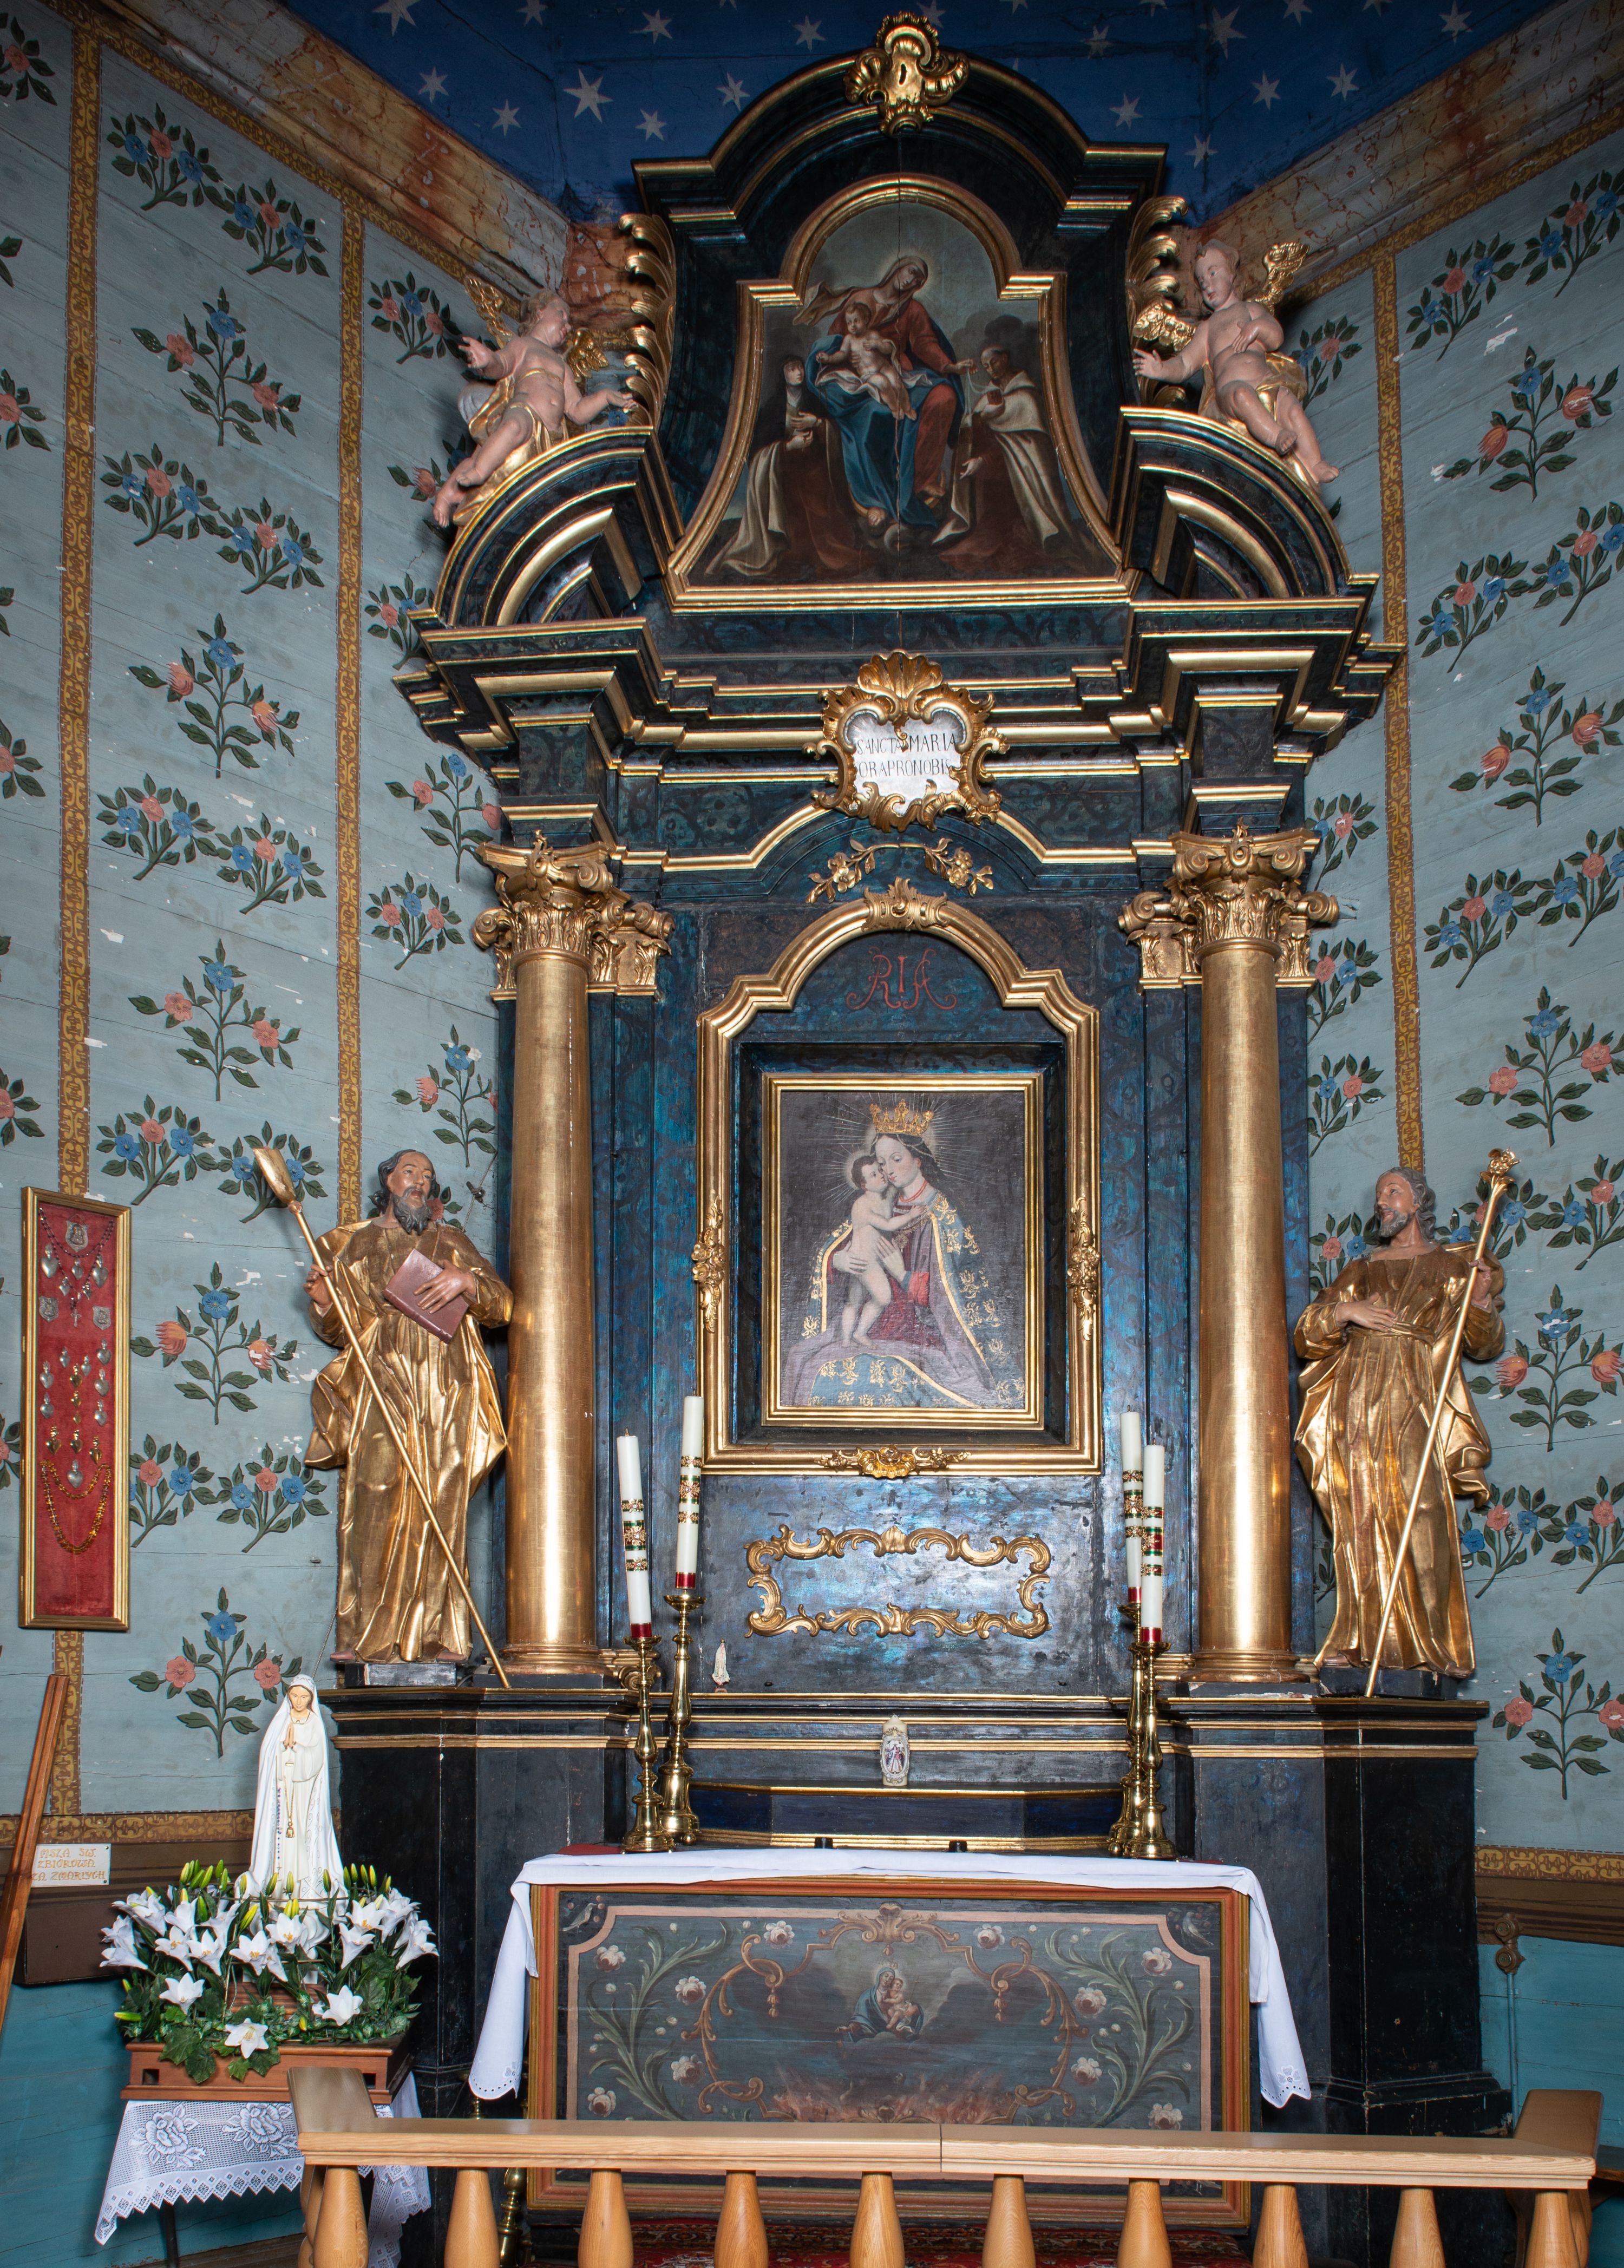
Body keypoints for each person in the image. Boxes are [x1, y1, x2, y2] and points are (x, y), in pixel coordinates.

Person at [1294, 1166, 1503, 1677]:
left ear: (1419, 1202)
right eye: (1379, 1195)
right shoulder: (1363, 1269)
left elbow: (1482, 1344)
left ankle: (1431, 1643)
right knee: (1361, 1515)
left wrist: (1478, 1299)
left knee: (1422, 1511)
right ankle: (1363, 1639)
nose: (1382, 1202)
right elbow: (1306, 1334)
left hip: (1416, 1395)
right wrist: (1347, 1313)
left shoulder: (1453, 1267)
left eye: (1393, 1192)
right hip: (1357, 1398)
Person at [304, 1150, 512, 1663]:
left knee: (441, 1502)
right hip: (382, 1379)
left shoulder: (451, 1241)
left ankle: (439, 1635)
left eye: (428, 1177)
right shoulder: (356, 1244)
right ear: (389, 1180)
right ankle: (365, 1634)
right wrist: (325, 1302)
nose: (420, 1183)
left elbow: (503, 1306)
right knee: (374, 1493)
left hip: (446, 1388)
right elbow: (343, 1327)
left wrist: (468, 1282)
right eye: (411, 1173)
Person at [782, 1115, 1025, 1411]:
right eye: (881, 1163)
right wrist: (839, 1260)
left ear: (918, 1159)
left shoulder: (942, 1216)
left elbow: (953, 1301)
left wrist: (903, 1275)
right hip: (873, 1324)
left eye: (896, 1160)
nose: (888, 1170)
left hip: (924, 1336)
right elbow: (846, 1241)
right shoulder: (882, 1203)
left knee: (864, 1378)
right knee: (804, 1361)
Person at [1132, 240, 1339, 487]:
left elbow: (1276, 337)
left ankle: (1315, 463)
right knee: (1242, 395)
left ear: (1232, 274)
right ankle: (1276, 436)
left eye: (1213, 273)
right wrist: (1162, 369)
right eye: (1201, 282)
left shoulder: (1250, 310)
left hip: (1266, 380)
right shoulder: (1207, 329)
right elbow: (1185, 364)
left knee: (1291, 407)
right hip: (1230, 389)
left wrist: (1256, 328)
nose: (1207, 284)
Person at [801, 254, 973, 536]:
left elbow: (925, 343)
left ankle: (921, 479)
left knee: (944, 396)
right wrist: (835, 361)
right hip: (860, 375)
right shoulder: (860, 299)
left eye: (919, 279)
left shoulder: (913, 309)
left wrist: (949, 366)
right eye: (911, 271)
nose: (912, 279)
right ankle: (875, 498)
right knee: (874, 417)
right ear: (897, 268)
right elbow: (837, 340)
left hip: (900, 372)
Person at [432, 292, 633, 527]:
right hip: (525, 410)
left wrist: (605, 396)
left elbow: (577, 410)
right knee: (514, 427)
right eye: (562, 314)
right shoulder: (523, 345)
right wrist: (488, 360)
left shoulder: (563, 366)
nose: (568, 326)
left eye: (569, 322)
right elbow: (502, 364)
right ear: (540, 312)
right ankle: (468, 479)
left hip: (550, 436)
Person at [715, 356, 869, 579]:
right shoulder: (772, 409)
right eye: (792, 368)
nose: (799, 372)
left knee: (817, 485)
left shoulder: (813, 402)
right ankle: (795, 551)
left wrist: (817, 424)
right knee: (795, 490)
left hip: (814, 469)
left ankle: (822, 548)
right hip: (783, 471)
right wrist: (788, 446)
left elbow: (834, 435)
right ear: (783, 374)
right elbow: (757, 451)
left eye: (800, 367)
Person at [935, 343, 1078, 569]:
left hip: (1019, 481)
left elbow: (1023, 450)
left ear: (1006, 358)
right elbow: (975, 431)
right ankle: (978, 528)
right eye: (986, 366)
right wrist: (977, 423)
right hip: (991, 478)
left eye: (994, 362)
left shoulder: (1026, 397)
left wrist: (984, 459)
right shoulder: (990, 395)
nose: (991, 369)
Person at [247, 1674, 343, 1900]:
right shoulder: (281, 1722)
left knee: (301, 1833)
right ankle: (280, 1886)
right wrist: (282, 1748)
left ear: (311, 1699)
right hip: (283, 1788)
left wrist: (297, 1748)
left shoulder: (314, 1723)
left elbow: (317, 1758)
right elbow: (269, 1754)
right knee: (282, 1835)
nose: (299, 1702)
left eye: (304, 1697)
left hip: (304, 1789)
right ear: (289, 1696)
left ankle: (305, 1887)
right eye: (295, 1696)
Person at [840, 1153, 933, 1343]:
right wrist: (911, 1215)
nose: (881, 1175)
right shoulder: (862, 1205)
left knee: (854, 1301)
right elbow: (888, 1225)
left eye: (879, 1169)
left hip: (870, 1261)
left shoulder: (886, 1195)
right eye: (874, 1175)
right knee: (882, 1298)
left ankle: (846, 1341)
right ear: (864, 1185)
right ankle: (855, 1335)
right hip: (864, 1262)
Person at [815, 294, 918, 423]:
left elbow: (888, 349)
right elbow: (842, 354)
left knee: (897, 383)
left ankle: (907, 408)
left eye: (856, 321)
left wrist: (878, 345)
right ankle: (895, 408)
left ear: (866, 320)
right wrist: (829, 358)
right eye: (849, 323)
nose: (852, 325)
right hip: (868, 375)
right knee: (883, 384)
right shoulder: (849, 340)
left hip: (884, 367)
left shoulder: (873, 335)